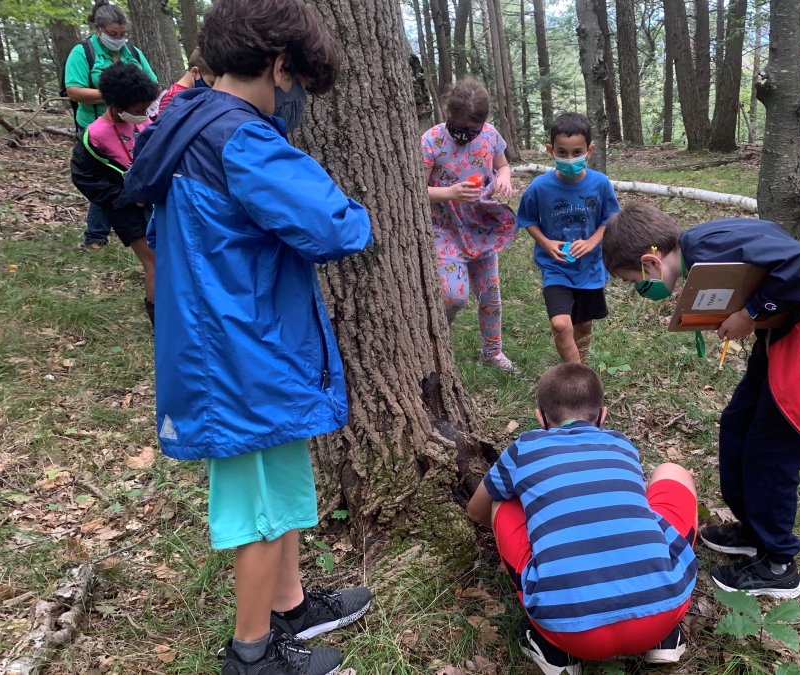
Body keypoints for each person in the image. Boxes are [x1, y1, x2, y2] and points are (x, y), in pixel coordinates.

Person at [123, 0, 374, 672]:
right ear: (278, 64)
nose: (294, 97)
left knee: (282, 480)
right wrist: (356, 206)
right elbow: (336, 226)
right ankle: (252, 652)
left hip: (249, 340)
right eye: (296, 80)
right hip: (236, 353)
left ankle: (288, 606)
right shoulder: (241, 138)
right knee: (257, 506)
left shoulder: (187, 122)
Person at [601, 203, 800, 598]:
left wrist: (752, 311)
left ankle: (779, 564)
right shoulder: (698, 249)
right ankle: (754, 529)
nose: (640, 288)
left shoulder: (707, 251)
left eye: (635, 279)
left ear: (651, 262)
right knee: (738, 424)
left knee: (771, 451)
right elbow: (766, 248)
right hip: (789, 330)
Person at [467, 363, 697, 675]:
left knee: (503, 504)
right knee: (672, 473)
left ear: (541, 418)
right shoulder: (622, 444)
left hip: (568, 631)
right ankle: (664, 637)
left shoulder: (525, 448)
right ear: (602, 416)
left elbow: (477, 510)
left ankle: (553, 651)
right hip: (663, 611)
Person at [421, 77, 519, 372]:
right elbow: (415, 189)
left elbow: (502, 164)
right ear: (447, 114)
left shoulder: (490, 136)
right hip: (445, 227)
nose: (465, 135)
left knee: (490, 295)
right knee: (453, 294)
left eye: (471, 130)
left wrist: (503, 177)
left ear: (484, 121)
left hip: (481, 226)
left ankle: (493, 352)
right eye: (459, 128)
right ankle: (439, 336)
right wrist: (450, 193)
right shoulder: (432, 140)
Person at [516, 113, 619, 364]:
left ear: (590, 150)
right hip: (556, 268)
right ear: (551, 150)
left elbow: (611, 218)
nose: (569, 159)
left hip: (590, 268)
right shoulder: (539, 187)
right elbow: (527, 219)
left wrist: (594, 240)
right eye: (562, 153)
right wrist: (546, 243)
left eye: (577, 152)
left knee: (582, 325)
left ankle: (579, 363)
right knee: (561, 324)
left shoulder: (601, 183)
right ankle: (577, 378)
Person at [64, 0, 158, 251]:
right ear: (99, 29)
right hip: (97, 125)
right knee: (106, 177)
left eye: (123, 34)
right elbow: (73, 90)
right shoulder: (83, 52)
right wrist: (114, 96)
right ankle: (96, 235)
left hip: (131, 125)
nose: (119, 39)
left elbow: (150, 82)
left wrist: (136, 102)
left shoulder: (133, 53)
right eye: (113, 34)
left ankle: (141, 223)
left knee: (126, 172)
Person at [69, 63, 159, 326]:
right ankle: (161, 323)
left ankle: (177, 311)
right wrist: (129, 197)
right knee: (154, 261)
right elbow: (85, 179)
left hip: (154, 204)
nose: (143, 115)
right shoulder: (94, 137)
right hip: (126, 208)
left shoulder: (145, 123)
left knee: (168, 257)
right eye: (138, 111)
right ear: (118, 105)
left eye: (146, 109)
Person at [153, 48, 214, 116]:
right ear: (195, 72)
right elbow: (164, 123)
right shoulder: (172, 96)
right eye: (211, 83)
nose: (213, 87)